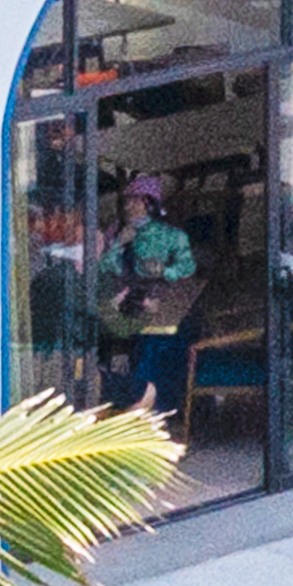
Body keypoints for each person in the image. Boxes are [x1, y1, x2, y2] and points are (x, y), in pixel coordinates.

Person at [115, 173, 204, 428]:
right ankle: (144, 399)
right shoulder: (118, 233)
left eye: (136, 200)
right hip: (125, 302)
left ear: (150, 204)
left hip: (163, 300)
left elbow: (185, 271)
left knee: (166, 335)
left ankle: (158, 404)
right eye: (127, 201)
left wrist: (162, 277)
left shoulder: (171, 236)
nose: (128, 206)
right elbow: (107, 270)